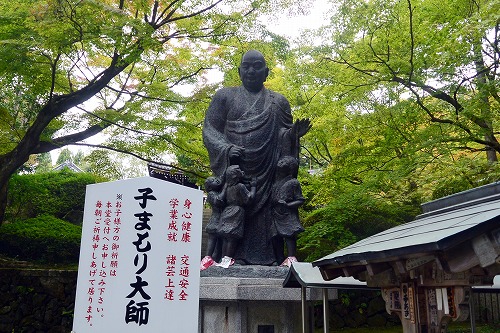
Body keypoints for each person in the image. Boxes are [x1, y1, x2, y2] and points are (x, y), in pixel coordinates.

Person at [203, 50, 309, 265]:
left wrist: (293, 134)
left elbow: (283, 136)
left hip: (268, 171)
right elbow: (210, 130)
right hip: (236, 171)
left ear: (266, 72)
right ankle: (227, 259)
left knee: (267, 217)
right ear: (239, 71)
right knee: (234, 215)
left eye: (257, 66)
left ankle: (275, 258)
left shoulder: (278, 102)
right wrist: (225, 148)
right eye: (247, 66)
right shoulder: (225, 96)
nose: (251, 70)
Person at [271, 156, 305, 267]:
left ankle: (291, 257)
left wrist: (288, 205)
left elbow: (300, 200)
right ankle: (279, 258)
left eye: (284, 162)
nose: (281, 162)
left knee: (289, 235)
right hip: (276, 213)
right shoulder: (276, 182)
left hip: (288, 213)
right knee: (275, 236)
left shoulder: (293, 182)